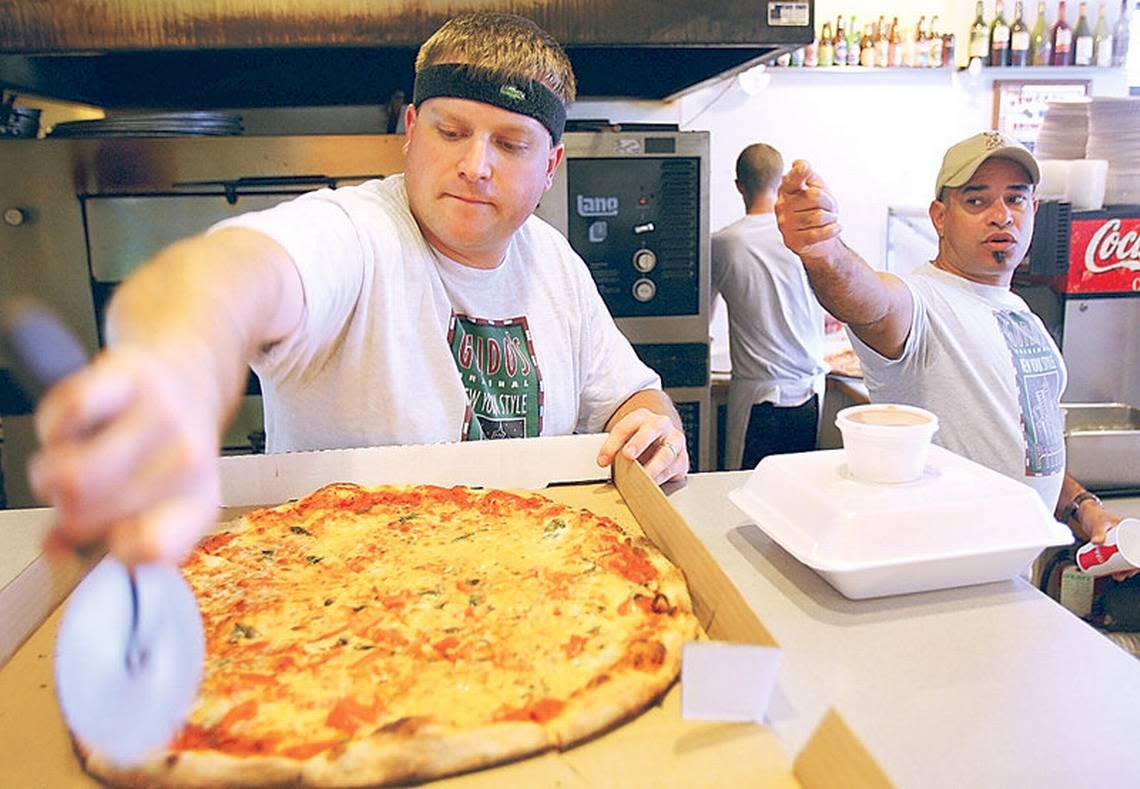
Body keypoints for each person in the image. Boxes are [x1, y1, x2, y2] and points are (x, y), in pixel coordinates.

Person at [27, 12, 688, 566]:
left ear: (550, 167)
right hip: (347, 592)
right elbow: (244, 268)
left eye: (510, 144)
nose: (475, 166)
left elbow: (629, 392)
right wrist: (184, 345)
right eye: (450, 131)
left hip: (534, 580)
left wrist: (653, 424)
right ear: (409, 132)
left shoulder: (554, 262)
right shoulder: (358, 233)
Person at [774, 130, 1132, 569]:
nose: (1002, 216)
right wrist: (824, 251)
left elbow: (1026, 449)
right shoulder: (923, 302)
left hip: (1014, 573)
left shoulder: (1022, 316)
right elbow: (869, 299)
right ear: (940, 217)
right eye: (977, 201)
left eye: (1016, 199)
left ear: (1034, 210)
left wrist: (1083, 507)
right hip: (945, 570)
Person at [710, 143, 827, 470]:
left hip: (759, 399)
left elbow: (701, 319)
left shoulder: (724, 243)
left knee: (743, 491)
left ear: (739, 186)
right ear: (780, 183)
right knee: (797, 493)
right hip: (811, 394)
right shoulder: (806, 237)